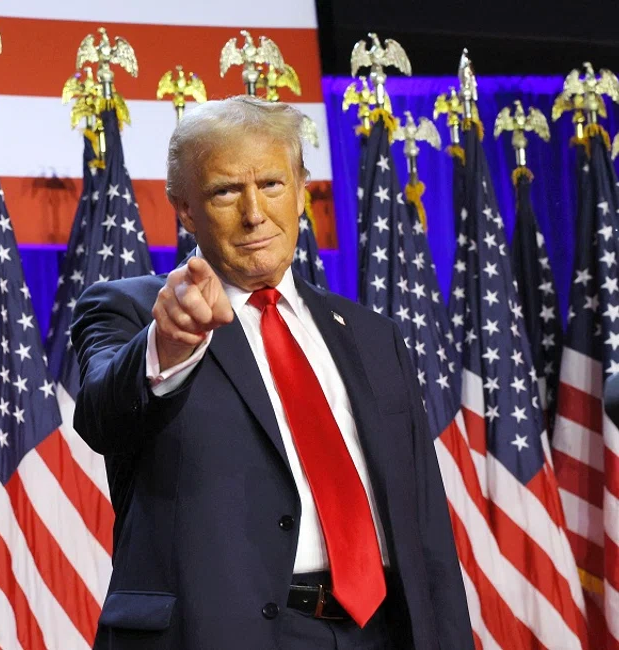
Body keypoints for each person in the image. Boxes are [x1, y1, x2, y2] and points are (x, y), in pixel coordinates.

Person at [71, 95, 473, 650]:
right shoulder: (135, 311)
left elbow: (425, 523)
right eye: (225, 191)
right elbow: (101, 416)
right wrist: (171, 343)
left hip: (380, 633)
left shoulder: (372, 335)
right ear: (184, 208)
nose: (254, 212)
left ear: (302, 190)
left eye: (272, 184)